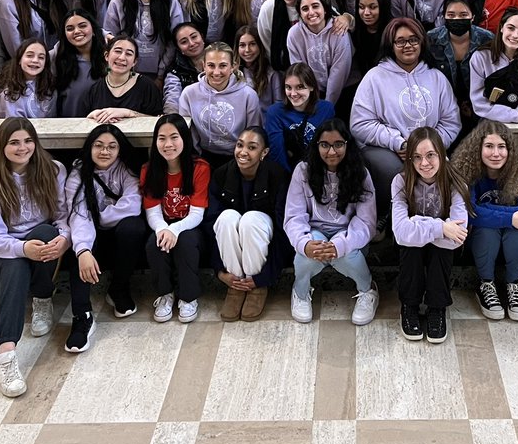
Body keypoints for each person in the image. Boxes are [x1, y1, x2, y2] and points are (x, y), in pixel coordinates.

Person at [0, 118, 69, 397]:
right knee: (15, 266)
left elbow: (63, 215)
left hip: (41, 243)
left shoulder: (53, 170)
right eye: (14, 142)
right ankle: (6, 354)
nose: (22, 147)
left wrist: (65, 239)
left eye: (27, 141)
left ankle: (42, 297)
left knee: (45, 231)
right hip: (0, 253)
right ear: (2, 146)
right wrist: (21, 249)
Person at [351, 19, 461, 213]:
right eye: (400, 41)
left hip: (431, 147)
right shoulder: (374, 77)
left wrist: (428, 148)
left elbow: (451, 122)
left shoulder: (436, 77)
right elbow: (360, 123)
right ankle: (390, 218)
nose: (408, 45)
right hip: (389, 150)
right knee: (395, 172)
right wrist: (399, 143)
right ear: (391, 45)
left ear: (422, 42)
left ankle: (437, 223)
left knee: (444, 170)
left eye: (413, 39)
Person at [284, 119, 379, 325]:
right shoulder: (303, 171)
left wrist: (341, 245)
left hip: (348, 234)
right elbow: (294, 216)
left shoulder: (360, 173)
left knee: (347, 257)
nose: (331, 152)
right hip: (314, 231)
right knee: (308, 255)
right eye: (325, 145)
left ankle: (367, 290)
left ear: (347, 144)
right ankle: (300, 291)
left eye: (338, 144)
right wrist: (305, 243)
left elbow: (366, 222)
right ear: (317, 145)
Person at [62, 124, 148, 351]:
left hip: (116, 237)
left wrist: (98, 217)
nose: (104, 152)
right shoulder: (78, 174)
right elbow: (79, 216)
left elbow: (132, 205)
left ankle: (118, 288)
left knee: (134, 227)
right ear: (89, 148)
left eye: (112, 146)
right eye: (98, 146)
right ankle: (82, 316)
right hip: (89, 237)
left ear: (119, 150)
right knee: (75, 245)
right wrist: (83, 250)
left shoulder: (126, 170)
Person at [391, 126, 469, 343]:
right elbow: (400, 233)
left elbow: (457, 238)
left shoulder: (456, 183)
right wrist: (441, 227)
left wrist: (417, 226)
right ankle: (410, 305)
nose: (424, 163)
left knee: (441, 249)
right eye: (417, 157)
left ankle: (437, 307)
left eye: (430, 155)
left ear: (442, 154)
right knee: (411, 247)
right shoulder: (400, 181)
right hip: (413, 249)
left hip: (442, 249)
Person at [452, 120, 518, 321]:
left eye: (501, 147)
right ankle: (486, 284)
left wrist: (492, 214)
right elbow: (471, 212)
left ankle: (513, 285)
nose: (496, 153)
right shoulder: (468, 173)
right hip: (480, 239)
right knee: (487, 230)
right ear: (478, 148)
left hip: (513, 239)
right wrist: (508, 216)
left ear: (510, 150)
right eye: (489, 146)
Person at [209, 126, 291, 322]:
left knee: (250, 219)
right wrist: (220, 271)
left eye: (252, 147)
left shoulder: (277, 176)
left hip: (263, 236)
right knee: (227, 217)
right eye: (239, 145)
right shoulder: (222, 174)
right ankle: (235, 285)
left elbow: (283, 230)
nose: (243, 152)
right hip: (231, 256)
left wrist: (265, 277)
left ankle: (255, 286)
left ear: (264, 153)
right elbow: (211, 224)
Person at [141, 114, 209, 323]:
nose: (168, 144)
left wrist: (175, 230)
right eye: (161, 138)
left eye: (174, 137)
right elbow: (152, 212)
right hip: (163, 223)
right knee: (155, 244)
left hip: (191, 225)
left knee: (186, 243)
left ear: (185, 139)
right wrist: (164, 230)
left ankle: (188, 297)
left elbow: (197, 213)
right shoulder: (148, 170)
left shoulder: (200, 167)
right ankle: (165, 294)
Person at [180, 42, 262, 169]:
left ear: (233, 66)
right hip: (203, 156)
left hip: (239, 157)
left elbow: (253, 133)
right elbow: (188, 133)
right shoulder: (189, 94)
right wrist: (197, 158)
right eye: (211, 65)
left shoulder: (249, 95)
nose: (216, 72)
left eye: (223, 65)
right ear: (203, 66)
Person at [106, 0, 183, 78]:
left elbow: (175, 40)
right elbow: (111, 38)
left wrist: (161, 73)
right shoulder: (118, 2)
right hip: (126, 74)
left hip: (162, 73)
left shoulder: (170, 2)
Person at [427, 0, 494, 138]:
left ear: (473, 17)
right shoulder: (431, 39)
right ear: (444, 16)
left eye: (463, 15)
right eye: (451, 15)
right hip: (442, 112)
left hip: (478, 111)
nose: (457, 19)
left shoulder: (487, 40)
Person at [469, 7, 518, 126]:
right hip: (490, 125)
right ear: (501, 28)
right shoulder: (480, 58)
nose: (515, 35)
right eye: (510, 28)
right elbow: (480, 104)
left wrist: (499, 111)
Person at [287, 0, 353, 106]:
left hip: (344, 89)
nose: (311, 12)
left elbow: (338, 73)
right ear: (300, 14)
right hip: (310, 92)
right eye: (305, 9)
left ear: (325, 9)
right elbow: (299, 71)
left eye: (315, 6)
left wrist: (326, 107)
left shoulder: (338, 30)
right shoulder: (293, 34)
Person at [265, 63, 336, 172]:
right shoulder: (274, 112)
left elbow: (328, 148)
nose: (293, 94)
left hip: (318, 171)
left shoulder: (326, 109)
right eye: (288, 87)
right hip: (287, 172)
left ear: (311, 86)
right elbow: (277, 153)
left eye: (300, 87)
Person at [82, 35, 166, 121]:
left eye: (129, 54)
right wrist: (92, 116)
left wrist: (128, 113)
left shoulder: (147, 87)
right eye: (118, 51)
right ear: (106, 56)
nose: (122, 57)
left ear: (134, 62)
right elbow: (84, 123)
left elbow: (159, 121)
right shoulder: (94, 90)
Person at [53, 9, 107, 118]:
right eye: (70, 29)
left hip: (102, 126)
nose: (76, 31)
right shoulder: (56, 58)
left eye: (82, 26)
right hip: (69, 127)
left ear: (93, 29)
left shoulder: (108, 57)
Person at [257, 0, 305, 71]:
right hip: (281, 66)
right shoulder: (269, 7)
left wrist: (347, 18)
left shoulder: (312, 4)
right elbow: (266, 41)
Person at [0, 39, 57, 118]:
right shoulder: (7, 95)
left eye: (41, 57)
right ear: (19, 60)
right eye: (29, 55)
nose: (35, 60)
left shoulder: (50, 90)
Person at [235, 24, 281, 111]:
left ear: (260, 45)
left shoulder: (272, 74)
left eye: (252, 44)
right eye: (242, 45)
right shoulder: (233, 73)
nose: (247, 50)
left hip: (265, 122)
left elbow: (279, 107)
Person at [162, 22, 206, 113]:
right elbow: (172, 100)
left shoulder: (221, 57)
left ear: (202, 37)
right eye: (184, 42)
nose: (191, 43)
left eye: (194, 37)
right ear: (179, 49)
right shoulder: (174, 72)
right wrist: (172, 119)